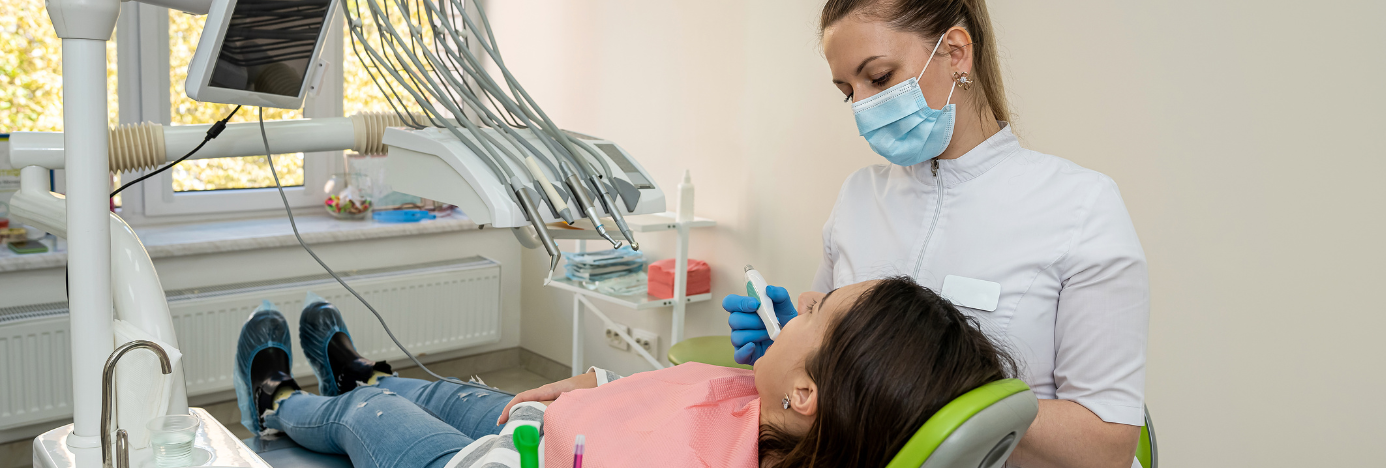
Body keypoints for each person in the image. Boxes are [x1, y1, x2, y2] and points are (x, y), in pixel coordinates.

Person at [724, 0, 1150, 467]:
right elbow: (832, 390)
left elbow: (1108, 444)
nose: (863, 108)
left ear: (956, 52)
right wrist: (792, 353)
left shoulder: (1079, 205)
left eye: (879, 78)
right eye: (848, 92)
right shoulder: (859, 198)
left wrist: (929, 394)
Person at [233, 277, 1015, 468]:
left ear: (805, 394)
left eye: (819, 312)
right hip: (544, 423)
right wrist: (595, 387)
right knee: (424, 391)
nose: (803, 297)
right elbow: (664, 407)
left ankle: (278, 400)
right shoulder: (766, 405)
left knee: (369, 421)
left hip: (497, 462)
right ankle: (359, 374)